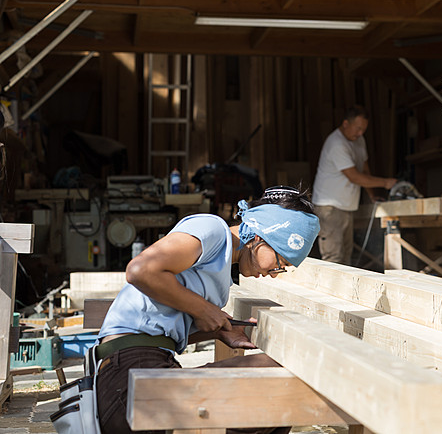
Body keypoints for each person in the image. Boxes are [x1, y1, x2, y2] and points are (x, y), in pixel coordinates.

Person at [95, 186, 320, 434]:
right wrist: (202, 310)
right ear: (260, 237)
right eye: (280, 262)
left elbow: (160, 327)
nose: (274, 274)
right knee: (280, 379)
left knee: (278, 404)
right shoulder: (212, 229)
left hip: (142, 371)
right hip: (127, 379)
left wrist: (217, 331)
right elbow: (140, 271)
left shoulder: (220, 272)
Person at [312, 105, 397, 265]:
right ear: (346, 124)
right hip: (329, 207)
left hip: (347, 205)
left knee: (346, 257)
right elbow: (354, 176)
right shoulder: (336, 143)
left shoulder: (359, 140)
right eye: (358, 128)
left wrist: (372, 195)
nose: (360, 133)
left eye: (363, 129)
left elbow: (364, 170)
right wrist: (385, 182)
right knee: (333, 257)